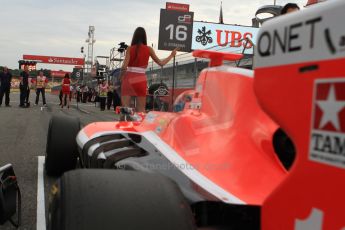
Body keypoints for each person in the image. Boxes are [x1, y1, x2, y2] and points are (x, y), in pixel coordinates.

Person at [121, 27, 178, 112]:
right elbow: (161, 63)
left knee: (125, 109)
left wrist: (121, 78)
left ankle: (125, 123)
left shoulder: (129, 48)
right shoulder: (149, 49)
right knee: (141, 110)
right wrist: (172, 55)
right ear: (144, 37)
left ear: (134, 36)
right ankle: (139, 124)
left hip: (129, 78)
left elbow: (124, 67)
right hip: (140, 79)